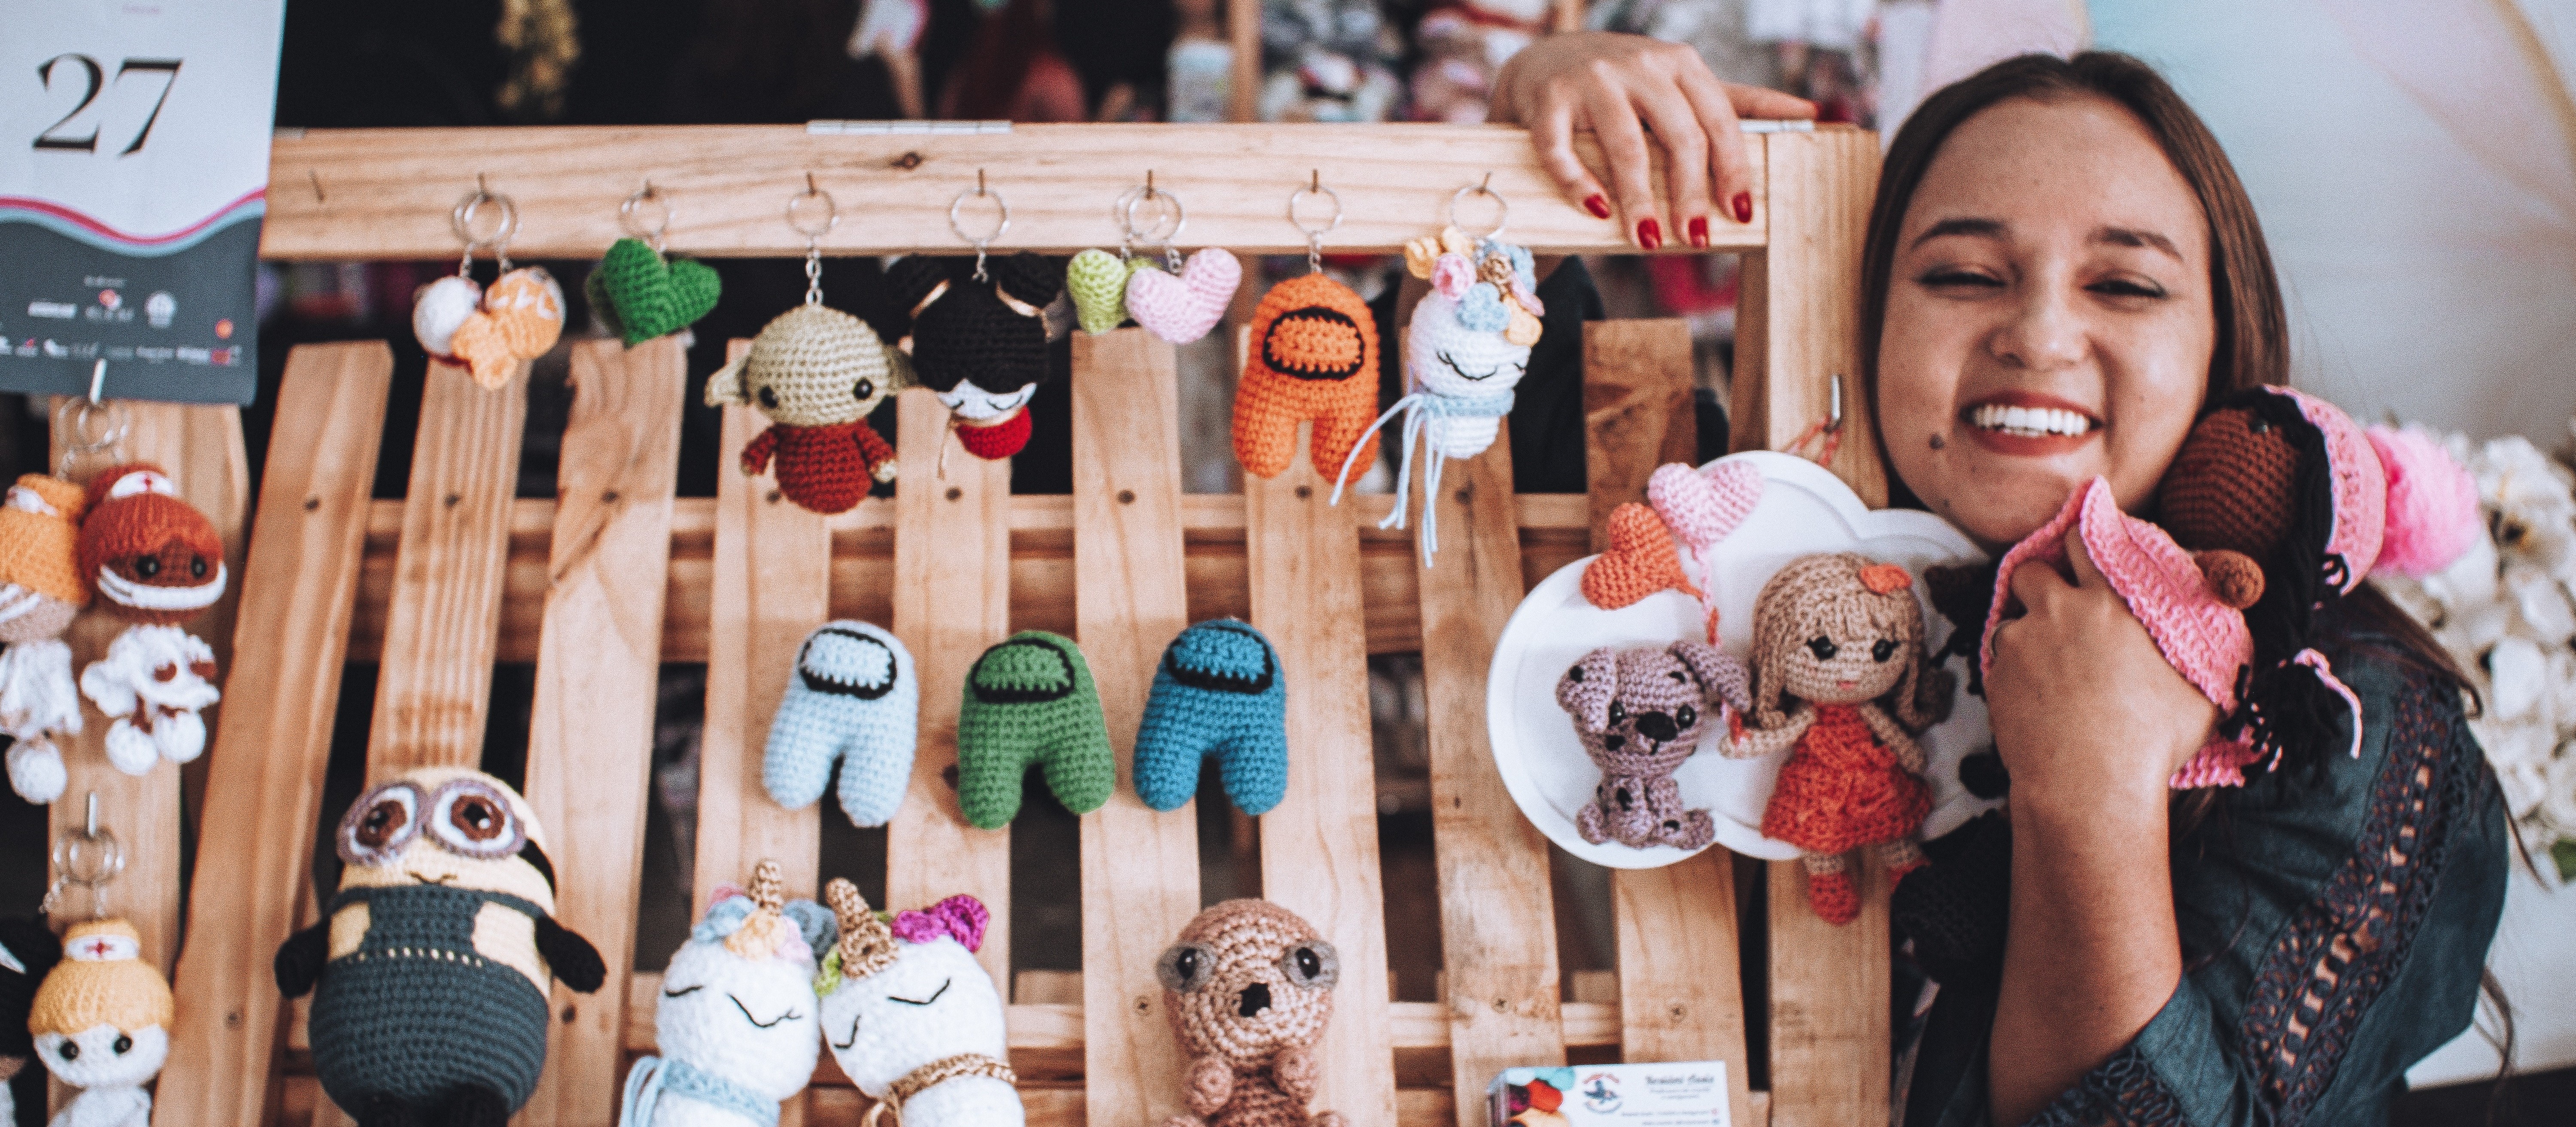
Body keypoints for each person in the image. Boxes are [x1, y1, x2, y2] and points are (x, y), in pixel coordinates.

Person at [1496, 38, 2510, 1127]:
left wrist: (2097, 795)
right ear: (1869, 313)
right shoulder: (1747, 545)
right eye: (1964, 274)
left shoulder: (2346, 722)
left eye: (2123, 283)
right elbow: (1483, 410)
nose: (2037, 335)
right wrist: (1517, 132)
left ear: (2222, 345)